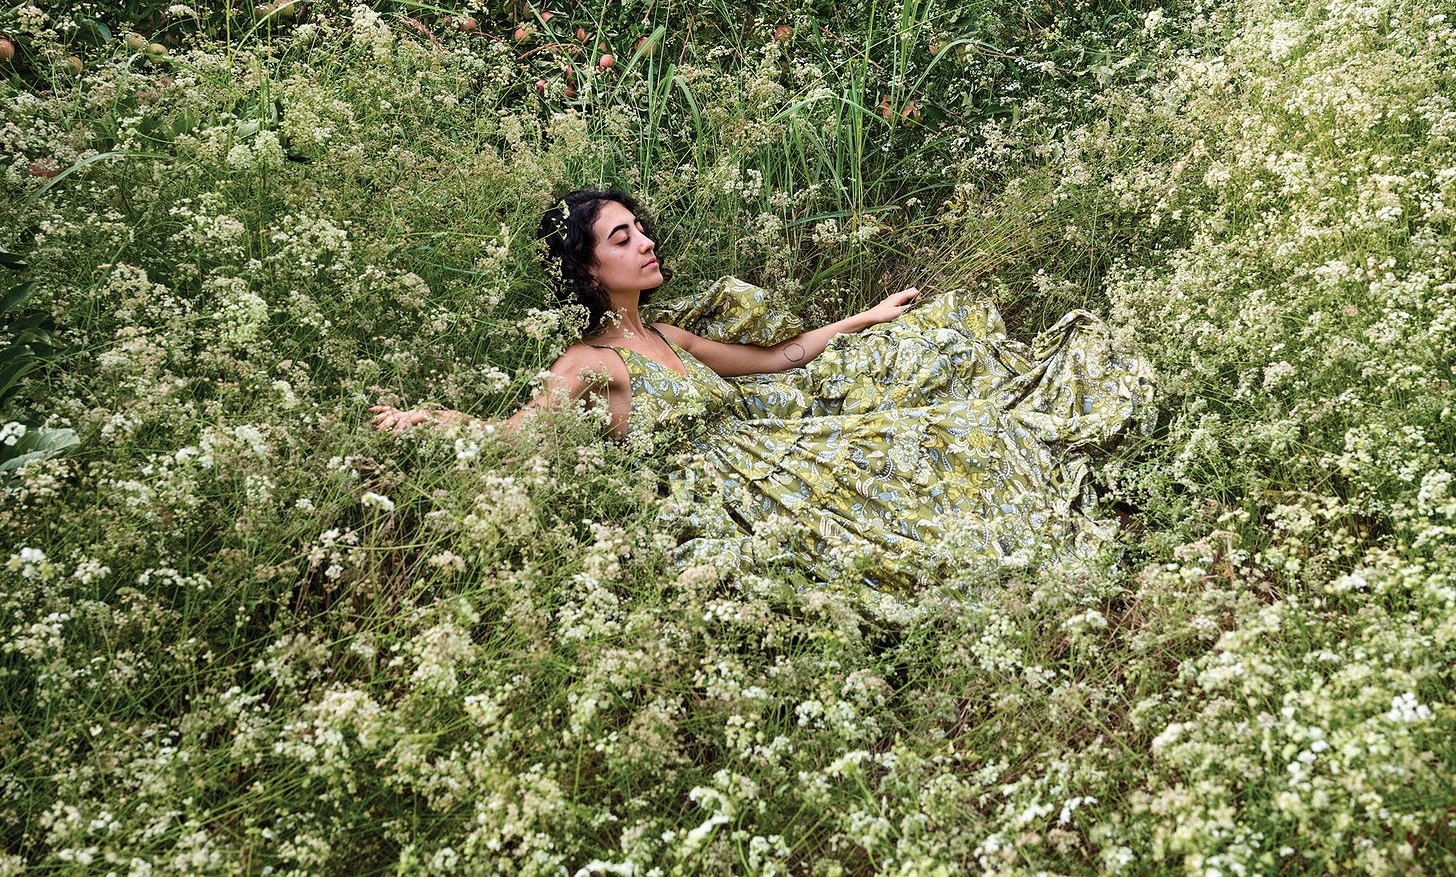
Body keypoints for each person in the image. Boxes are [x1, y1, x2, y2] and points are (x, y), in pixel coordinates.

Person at [371, 187, 1156, 594]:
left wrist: (867, 316)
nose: (646, 241)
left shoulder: (667, 335)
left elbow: (781, 358)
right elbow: (515, 437)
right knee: (936, 460)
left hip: (777, 448)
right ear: (586, 269)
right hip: (739, 498)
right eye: (622, 237)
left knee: (947, 417)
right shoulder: (588, 361)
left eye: (640, 227)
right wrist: (433, 420)